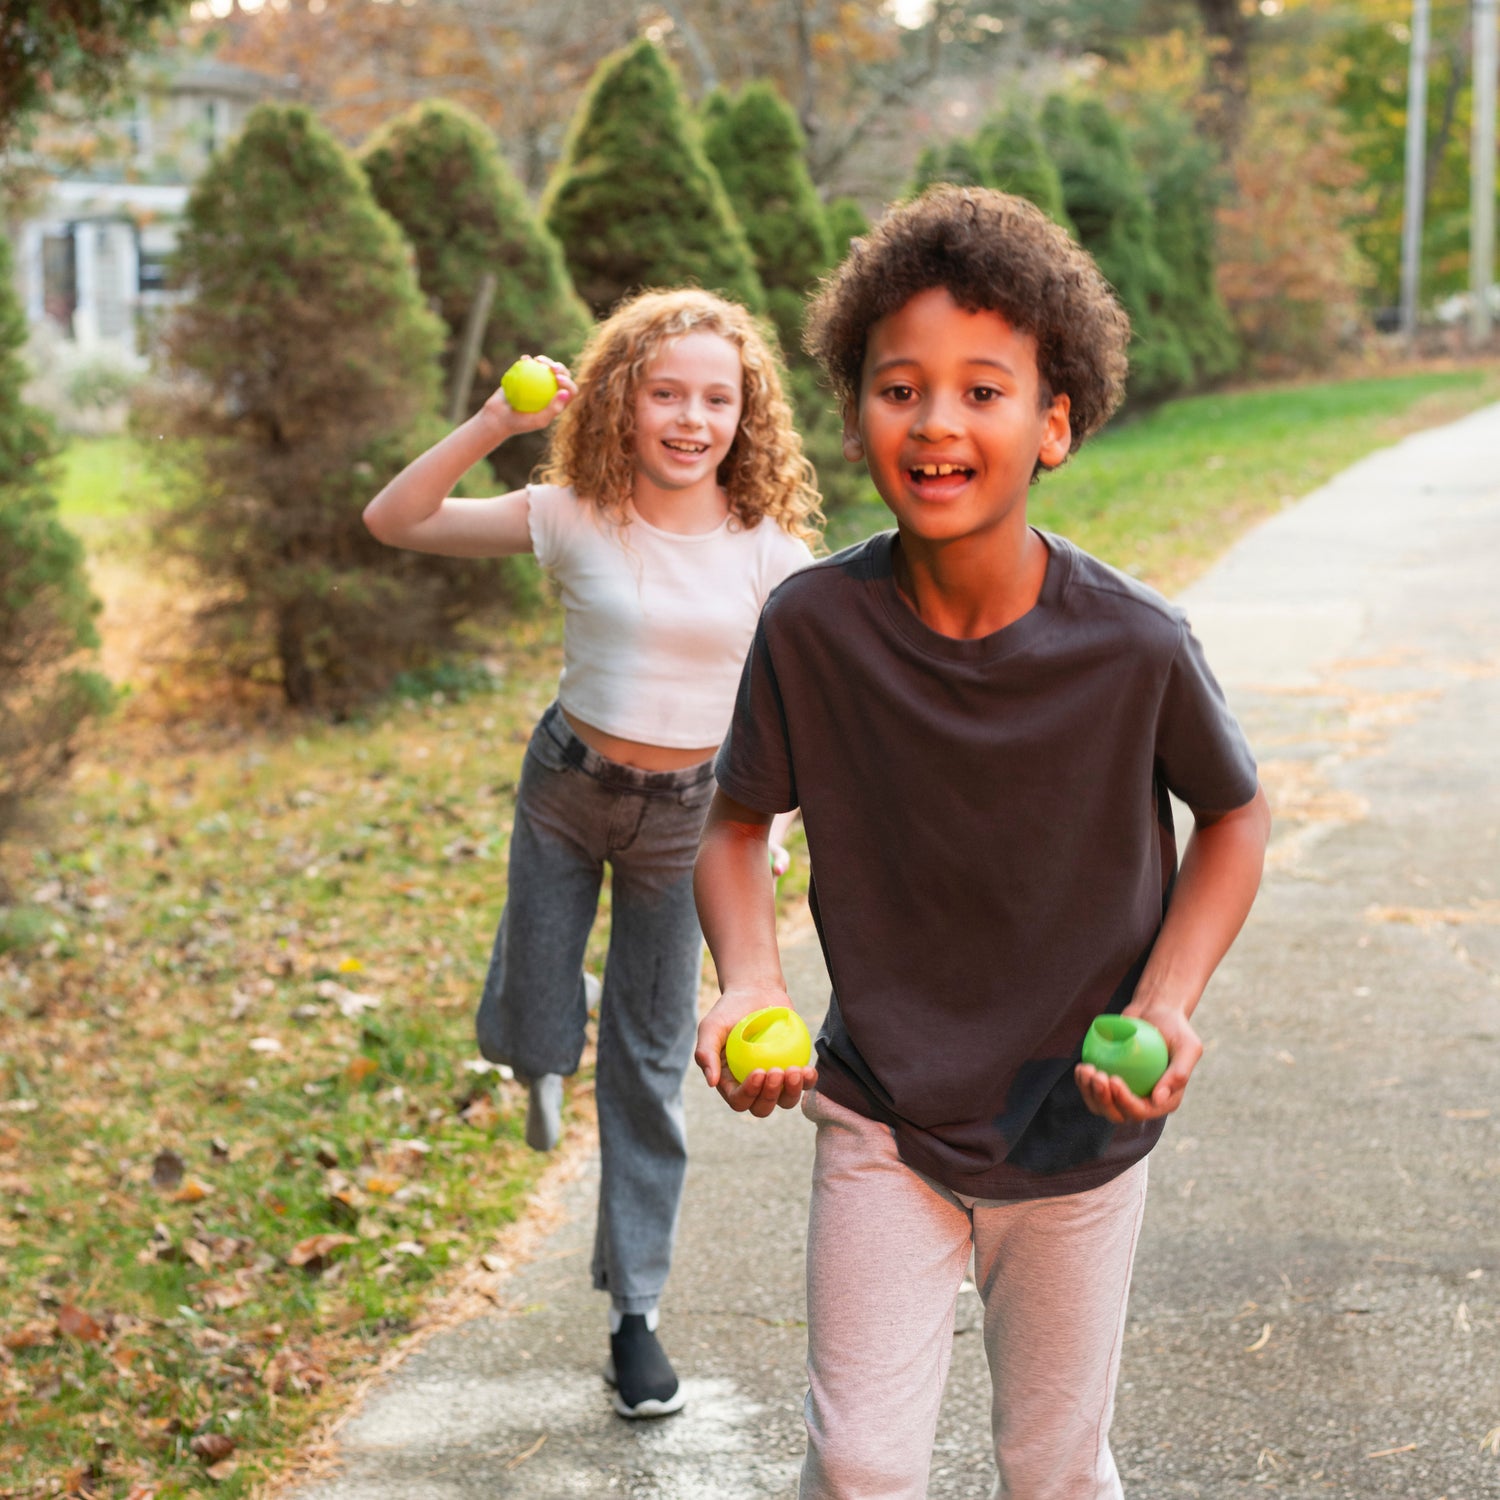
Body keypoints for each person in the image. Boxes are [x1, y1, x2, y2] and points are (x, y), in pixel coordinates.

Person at [693, 187, 1272, 1498]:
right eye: (901, 388)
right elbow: (734, 825)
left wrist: (1167, 1004)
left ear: (1054, 423)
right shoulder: (812, 630)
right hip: (881, 1108)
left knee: (1052, 1469)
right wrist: (748, 981)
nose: (938, 420)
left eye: (984, 389)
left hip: (1077, 1117)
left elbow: (1234, 814)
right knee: (858, 1465)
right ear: (855, 417)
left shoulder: (1133, 645)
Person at [363, 287, 820, 1420]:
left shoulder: (773, 552)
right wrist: (488, 429)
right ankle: (539, 1037)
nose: (690, 418)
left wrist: (774, 836)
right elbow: (396, 519)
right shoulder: (567, 509)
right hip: (568, 787)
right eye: (666, 393)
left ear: (746, 412)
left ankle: (635, 1318)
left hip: (693, 822)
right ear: (622, 399)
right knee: (532, 1014)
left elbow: (801, 714)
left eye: (717, 398)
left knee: (651, 1063)